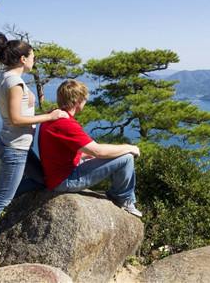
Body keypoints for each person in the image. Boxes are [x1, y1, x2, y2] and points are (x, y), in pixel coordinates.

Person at [0, 33, 69, 260]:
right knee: (4, 199)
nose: (34, 60)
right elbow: (16, 119)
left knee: (43, 180)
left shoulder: (6, 77)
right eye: (32, 56)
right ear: (23, 59)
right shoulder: (14, 83)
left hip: (14, 143)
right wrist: (50, 117)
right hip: (15, 148)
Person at [38, 79, 142, 217]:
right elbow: (98, 151)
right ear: (78, 101)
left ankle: (119, 196)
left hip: (57, 174)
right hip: (65, 180)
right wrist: (130, 147)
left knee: (109, 155)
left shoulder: (53, 116)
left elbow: (59, 150)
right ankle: (123, 199)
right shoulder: (65, 124)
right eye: (85, 99)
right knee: (126, 158)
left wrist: (83, 156)